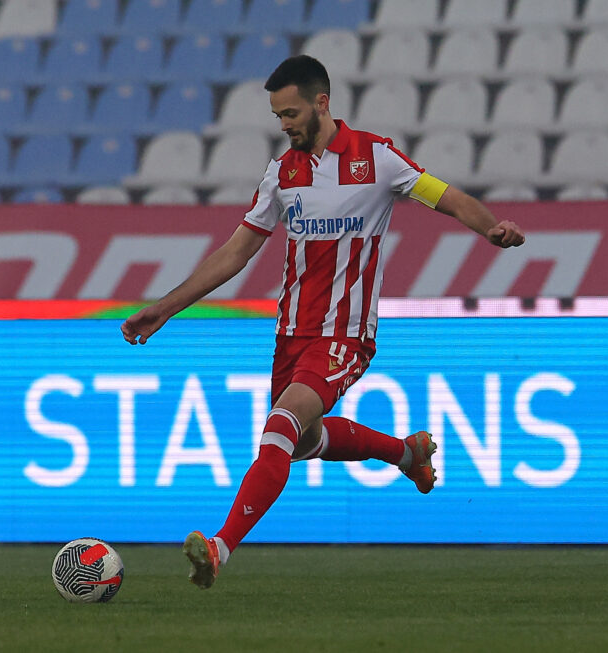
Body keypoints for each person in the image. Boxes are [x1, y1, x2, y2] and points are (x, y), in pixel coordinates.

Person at [121, 55, 525, 589]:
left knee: (279, 429)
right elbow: (237, 252)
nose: (284, 125)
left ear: (322, 103)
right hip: (291, 334)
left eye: (290, 113)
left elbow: (445, 198)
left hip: (345, 335)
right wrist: (166, 306)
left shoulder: (376, 158)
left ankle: (219, 547)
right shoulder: (283, 173)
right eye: (277, 117)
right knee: (305, 439)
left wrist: (490, 228)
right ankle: (408, 453)